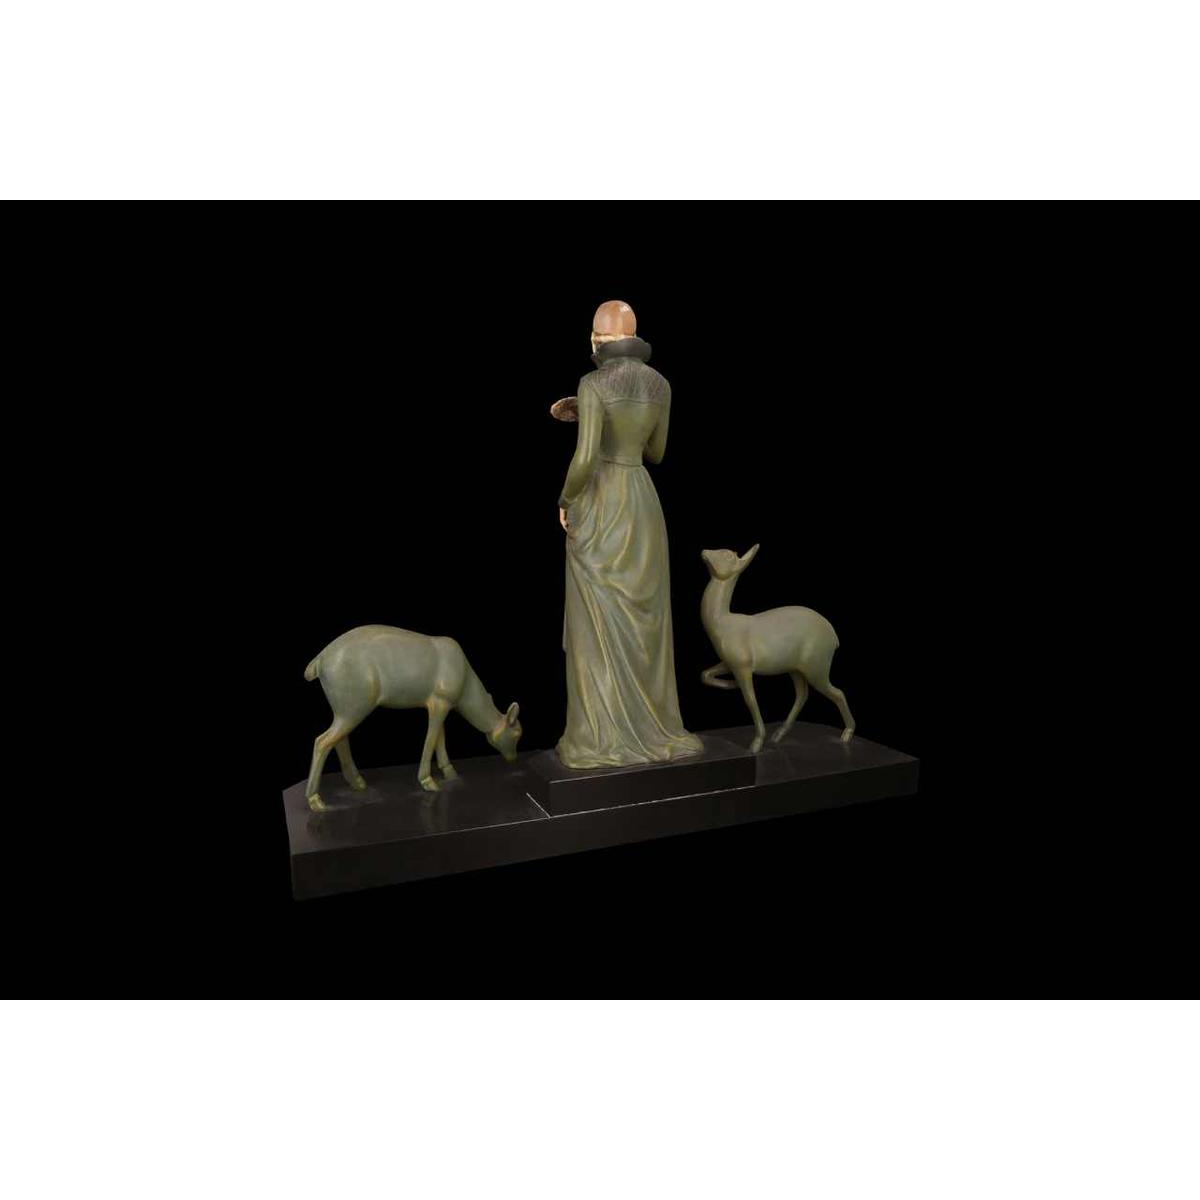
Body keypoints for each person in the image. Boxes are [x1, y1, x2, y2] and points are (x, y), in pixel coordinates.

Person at [555, 300, 703, 768]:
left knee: (596, 621)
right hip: (642, 501)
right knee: (646, 623)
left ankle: (599, 740)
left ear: (596, 339)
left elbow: (584, 459)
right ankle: (656, 727)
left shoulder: (593, 383)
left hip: (604, 500)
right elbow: (656, 452)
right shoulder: (661, 384)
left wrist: (564, 499)